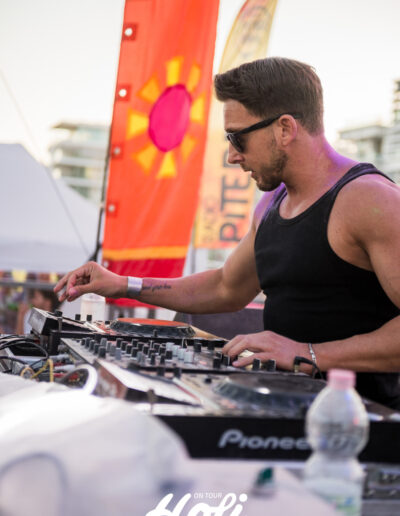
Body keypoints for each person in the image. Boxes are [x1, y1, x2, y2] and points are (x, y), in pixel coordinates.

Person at [55, 57, 400, 408]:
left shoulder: (369, 200)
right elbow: (225, 287)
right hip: (280, 411)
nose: (232, 156)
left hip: (358, 424)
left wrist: (308, 354)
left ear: (284, 129)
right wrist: (123, 284)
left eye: (238, 138)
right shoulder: (272, 203)